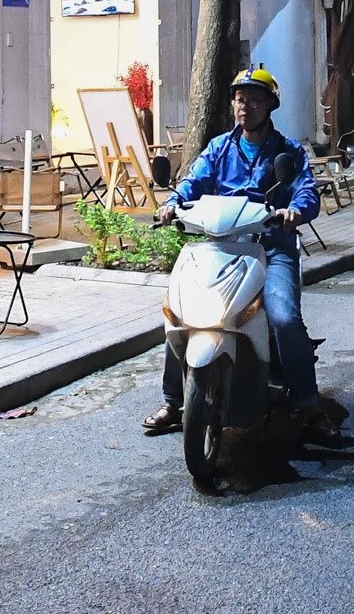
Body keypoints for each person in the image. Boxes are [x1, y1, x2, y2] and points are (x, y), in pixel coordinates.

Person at [142, 67, 338, 442]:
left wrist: (295, 210)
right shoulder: (219, 148)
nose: (244, 106)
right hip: (218, 246)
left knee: (282, 316)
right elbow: (192, 181)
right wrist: (173, 203)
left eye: (254, 99)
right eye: (239, 99)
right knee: (178, 310)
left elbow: (306, 191)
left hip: (269, 247)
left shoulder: (288, 151)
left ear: (270, 105)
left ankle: (309, 404)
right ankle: (173, 400)